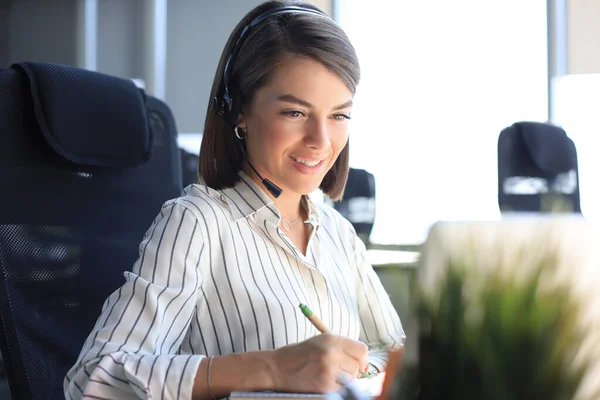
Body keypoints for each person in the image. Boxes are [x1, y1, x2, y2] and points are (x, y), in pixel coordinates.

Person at [64, 1, 405, 399]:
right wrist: (272, 368)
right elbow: (92, 382)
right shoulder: (198, 222)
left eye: (339, 116)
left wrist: (360, 372)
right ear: (239, 111)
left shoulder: (338, 233)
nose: (322, 141)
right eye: (295, 112)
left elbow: (395, 353)